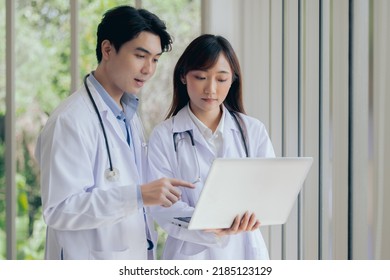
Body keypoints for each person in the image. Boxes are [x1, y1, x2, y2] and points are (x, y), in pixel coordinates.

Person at [34, 5, 194, 260]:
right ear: (107, 49)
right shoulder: (70, 120)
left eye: (154, 59)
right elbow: (60, 210)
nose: (148, 69)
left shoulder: (128, 115)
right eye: (140, 56)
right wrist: (138, 195)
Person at [147, 34, 275, 259]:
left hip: (245, 252)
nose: (211, 89)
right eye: (201, 77)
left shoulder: (252, 131)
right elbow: (161, 208)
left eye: (221, 79)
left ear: (233, 80)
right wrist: (210, 223)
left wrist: (251, 215)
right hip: (189, 255)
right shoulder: (164, 136)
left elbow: (268, 193)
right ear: (184, 76)